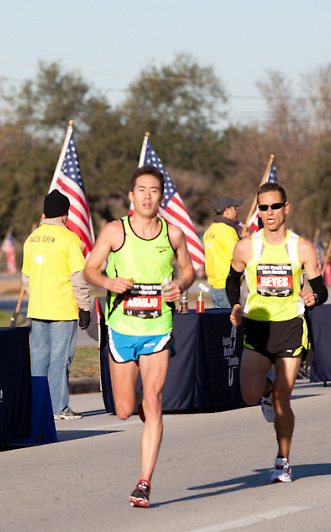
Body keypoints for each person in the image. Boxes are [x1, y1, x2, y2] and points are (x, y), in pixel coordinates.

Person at [83, 166, 194, 508]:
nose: (148, 196)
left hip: (158, 328)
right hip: (121, 328)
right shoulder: (115, 231)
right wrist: (107, 283)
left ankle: (144, 483)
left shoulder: (172, 234)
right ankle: (143, 407)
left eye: (154, 190)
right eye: (141, 190)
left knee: (154, 400)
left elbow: (189, 269)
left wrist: (181, 285)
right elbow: (90, 269)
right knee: (123, 409)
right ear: (131, 196)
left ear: (162, 196)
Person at [227, 182, 327, 483]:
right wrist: (235, 305)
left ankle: (282, 460)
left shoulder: (302, 247)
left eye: (274, 206)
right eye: (263, 207)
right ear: (258, 210)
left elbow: (320, 287)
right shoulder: (247, 246)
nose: (269, 212)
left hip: (291, 328)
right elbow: (232, 281)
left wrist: (313, 296)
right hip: (257, 326)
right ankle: (266, 393)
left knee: (284, 400)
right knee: (248, 394)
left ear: (287, 207)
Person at [22, 190, 91, 421]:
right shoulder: (69, 239)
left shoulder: (31, 239)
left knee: (39, 358)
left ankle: (37, 407)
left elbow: (26, 278)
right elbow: (78, 278)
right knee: (61, 359)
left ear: (44, 212)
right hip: (63, 308)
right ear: (65, 214)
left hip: (38, 308)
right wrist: (85, 308)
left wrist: (40, 295)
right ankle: (59, 408)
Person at [203, 195, 243, 308]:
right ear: (227, 211)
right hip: (228, 287)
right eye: (235, 208)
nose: (237, 211)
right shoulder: (228, 230)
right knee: (232, 323)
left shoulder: (210, 230)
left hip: (214, 288)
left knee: (220, 323)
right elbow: (238, 257)